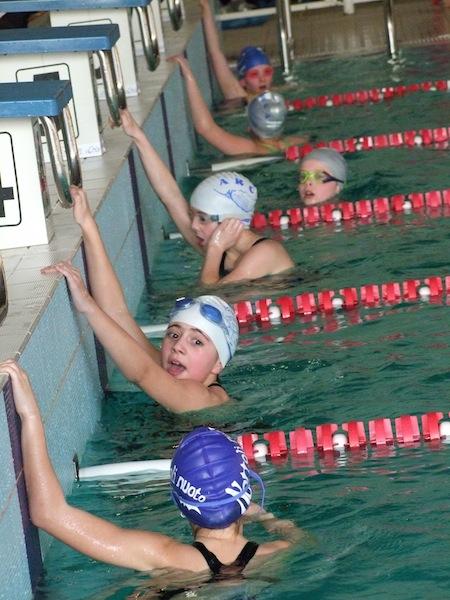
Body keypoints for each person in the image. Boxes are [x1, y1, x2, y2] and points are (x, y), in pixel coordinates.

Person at [0, 361, 300, 578]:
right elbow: (300, 539)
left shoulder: (166, 556)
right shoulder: (278, 552)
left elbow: (48, 513)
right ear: (246, 492)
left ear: (180, 502)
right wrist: (267, 518)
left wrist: (30, 416)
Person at [41, 186, 239, 413]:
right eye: (174, 334)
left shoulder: (204, 397)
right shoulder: (172, 372)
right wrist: (88, 225)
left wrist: (87, 305)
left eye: (197, 342)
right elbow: (116, 314)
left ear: (218, 364)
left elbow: (142, 373)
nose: (178, 347)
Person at [120, 109, 295, 284]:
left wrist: (215, 249)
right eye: (195, 216)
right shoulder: (221, 249)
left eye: (202, 218)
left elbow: (211, 295)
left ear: (229, 221)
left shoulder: (265, 253)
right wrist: (138, 137)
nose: (194, 225)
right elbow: (171, 198)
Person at [170, 55, 307, 156]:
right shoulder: (295, 141)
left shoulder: (249, 148)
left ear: (250, 127)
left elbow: (205, 128)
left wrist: (189, 77)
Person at [200, 0, 273, 104]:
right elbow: (215, 53)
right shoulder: (237, 95)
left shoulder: (277, 94)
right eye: (254, 74)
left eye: (267, 72)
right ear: (243, 82)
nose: (262, 80)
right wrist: (206, 8)